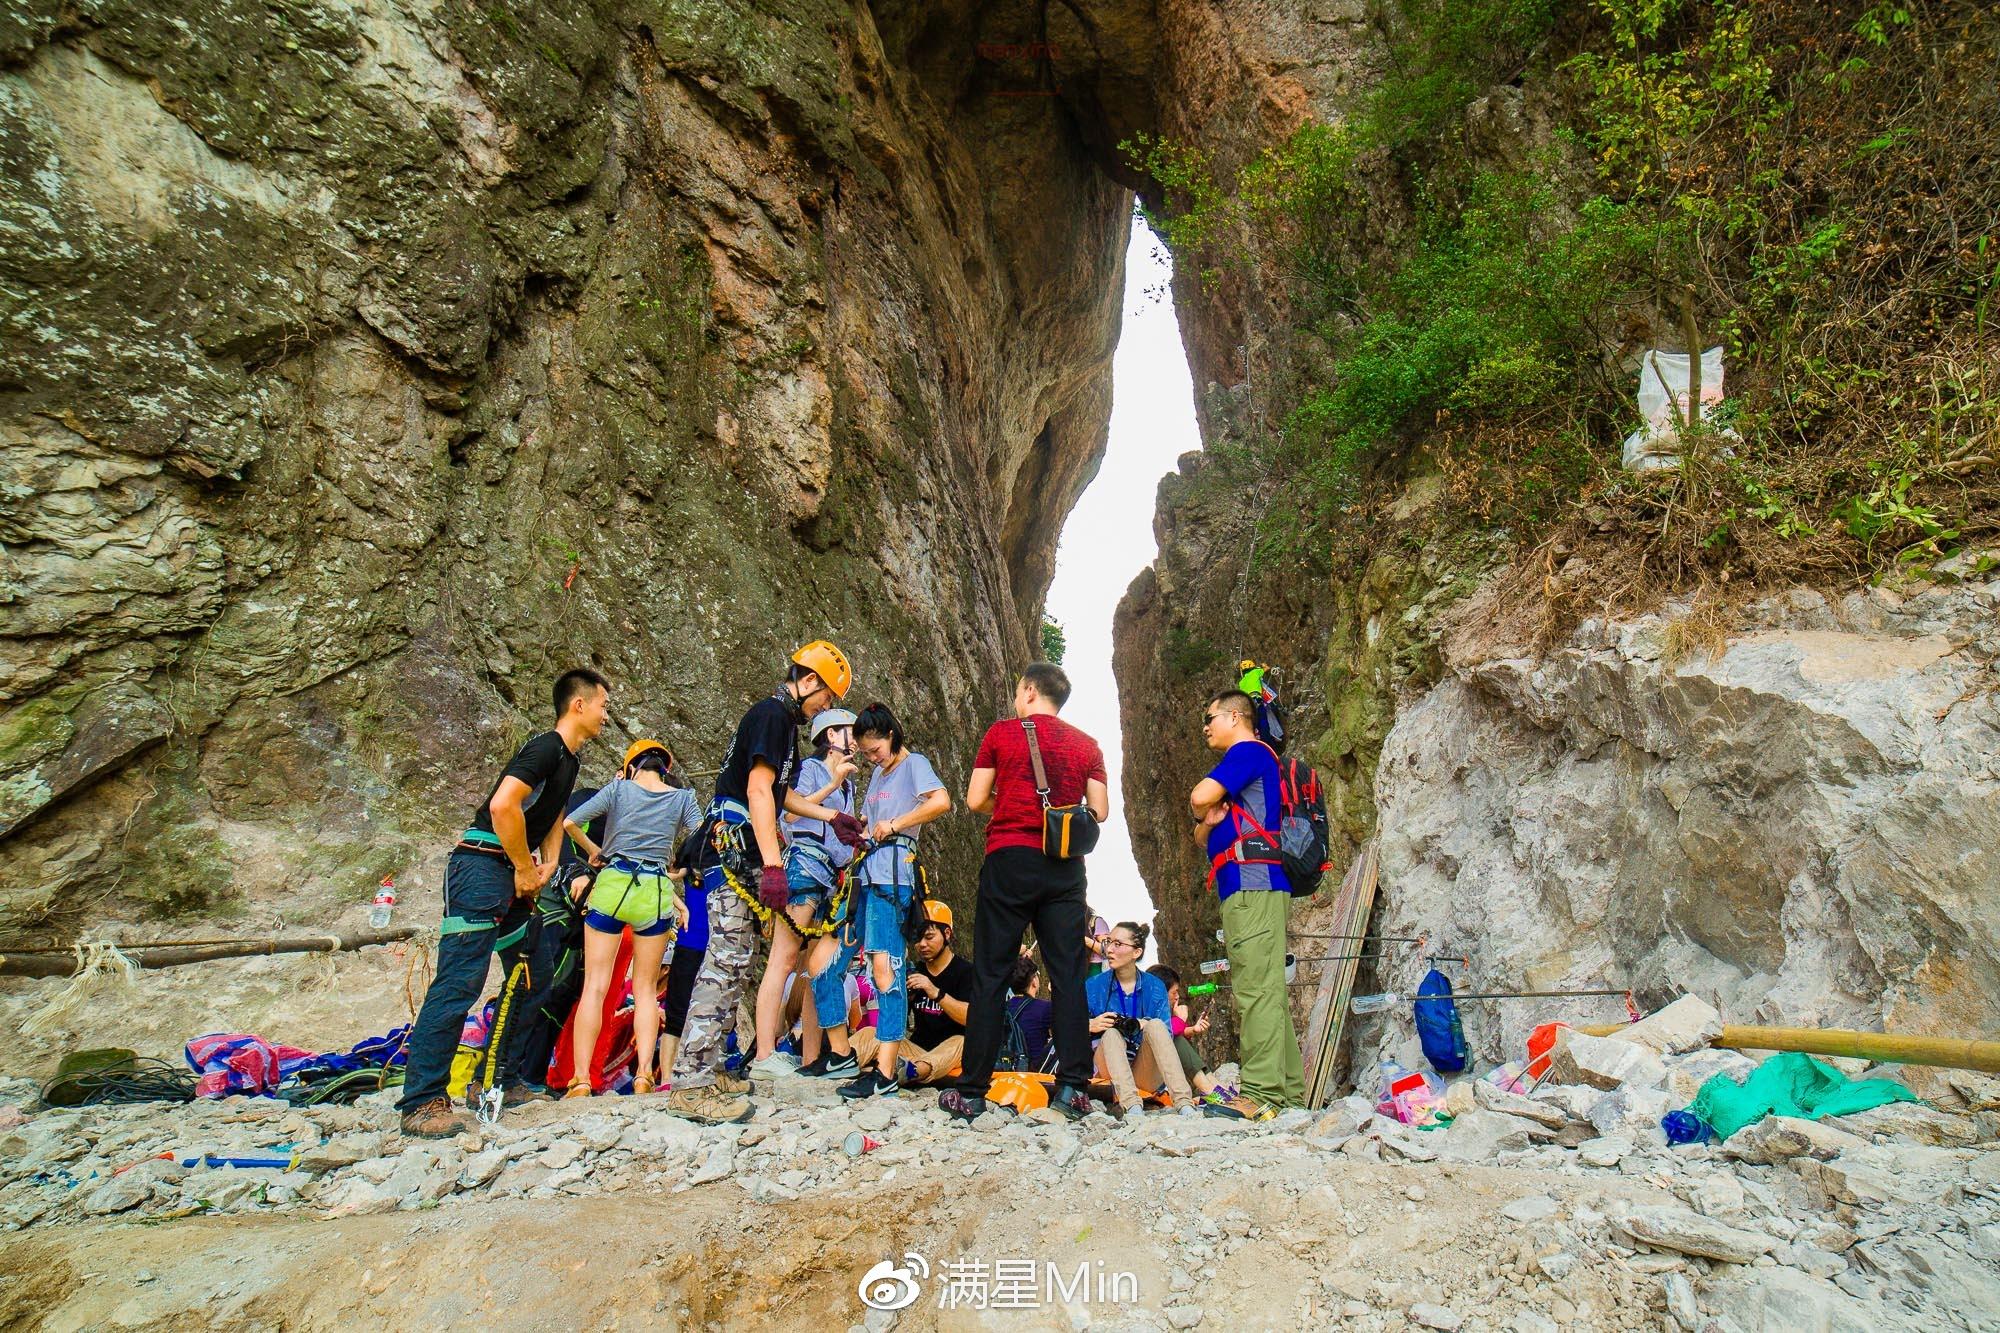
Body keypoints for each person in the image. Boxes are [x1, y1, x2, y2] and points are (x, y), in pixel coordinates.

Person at [399, 668, 609, 1137]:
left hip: (516, 874)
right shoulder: (544, 747)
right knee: (460, 982)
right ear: (578, 705)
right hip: (480, 868)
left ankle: (497, 1079)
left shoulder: (569, 761)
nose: (604, 715)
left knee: (533, 971)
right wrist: (521, 866)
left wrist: (550, 862)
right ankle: (422, 1100)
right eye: (602, 705)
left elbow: (554, 811)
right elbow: (502, 806)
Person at [667, 641, 862, 1125]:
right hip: (735, 847)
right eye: (826, 697)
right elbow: (757, 790)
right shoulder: (772, 716)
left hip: (745, 846)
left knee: (738, 960)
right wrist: (775, 865)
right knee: (727, 957)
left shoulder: (780, 725)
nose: (824, 708)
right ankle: (690, 1081)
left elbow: (782, 795)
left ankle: (708, 1068)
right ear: (810, 680)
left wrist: (831, 814)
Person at [941, 662, 1108, 1123]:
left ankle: (972, 1090)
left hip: (1009, 859)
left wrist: (1014, 801)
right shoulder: (1087, 746)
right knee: (1069, 975)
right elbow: (1100, 811)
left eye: (1019, 691)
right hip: (1065, 869)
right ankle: (1074, 1089)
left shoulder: (1002, 733)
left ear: (1030, 691)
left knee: (992, 974)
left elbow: (976, 800)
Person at [560, 740, 702, 1096]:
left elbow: (571, 822)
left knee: (595, 985)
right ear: (664, 769)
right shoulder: (682, 798)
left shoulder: (618, 789)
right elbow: (703, 836)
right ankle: (642, 1075)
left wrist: (595, 851)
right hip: (653, 891)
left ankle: (580, 1079)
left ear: (631, 767)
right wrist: (679, 872)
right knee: (644, 991)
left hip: (614, 883)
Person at [1191, 688, 1304, 1119]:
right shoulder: (1245, 765)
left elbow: (1201, 798)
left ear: (1236, 717)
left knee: (1254, 990)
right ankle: (1289, 1094)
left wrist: (1202, 807)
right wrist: (1207, 819)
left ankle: (1259, 1094)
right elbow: (1202, 833)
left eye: (1211, 716)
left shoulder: (1248, 752)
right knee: (1267, 990)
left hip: (1253, 884)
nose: (1206, 726)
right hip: (1246, 884)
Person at [835, 703, 952, 1099]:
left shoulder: (913, 763)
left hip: (894, 878)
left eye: (874, 750)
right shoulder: (879, 776)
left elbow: (940, 801)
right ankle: (871, 1063)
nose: (871, 758)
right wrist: (862, 827)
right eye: (865, 753)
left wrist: (897, 824)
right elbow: (872, 820)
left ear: (890, 736)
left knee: (887, 967)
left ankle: (885, 1071)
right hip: (868, 876)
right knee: (869, 964)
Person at [751, 707, 858, 1077]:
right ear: (832, 737)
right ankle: (765, 1052)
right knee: (783, 958)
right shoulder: (809, 771)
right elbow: (791, 815)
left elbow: (842, 838)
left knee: (818, 968)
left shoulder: (850, 785)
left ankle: (812, 1059)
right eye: (850, 732)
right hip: (803, 866)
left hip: (832, 876)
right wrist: (831, 786)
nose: (856, 741)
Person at [846, 900, 971, 1085]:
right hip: (915, 1052)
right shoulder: (914, 971)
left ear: (947, 934)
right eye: (917, 939)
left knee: (962, 1041)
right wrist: (903, 998)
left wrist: (935, 992)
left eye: (929, 937)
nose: (922, 944)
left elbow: (972, 1018)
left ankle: (912, 1072)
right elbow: (893, 1021)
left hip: (950, 1056)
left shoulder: (966, 972)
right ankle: (842, 1060)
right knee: (871, 1032)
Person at [1086, 922, 1196, 1117]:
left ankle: (1184, 1103)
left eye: (1118, 944)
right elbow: (1063, 1030)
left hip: (1142, 1068)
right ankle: (1132, 1107)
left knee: (1156, 1025)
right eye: (1109, 942)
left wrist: (1142, 1023)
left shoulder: (1155, 986)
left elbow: (1167, 1036)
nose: (1109, 949)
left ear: (1136, 952)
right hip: (1107, 1070)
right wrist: (1091, 1025)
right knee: (1111, 1033)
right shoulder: (1094, 986)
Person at [1147, 963, 1220, 1098]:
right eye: (1174, 992)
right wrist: (1180, 1020)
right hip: (1144, 1074)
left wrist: (1193, 1029)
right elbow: (1165, 1033)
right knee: (1174, 1038)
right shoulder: (1145, 1009)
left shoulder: (1158, 1010)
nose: (1177, 997)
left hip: (1157, 1073)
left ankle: (1216, 1087)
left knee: (1177, 1038)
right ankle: (1211, 1091)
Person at [1003, 953, 1053, 1071]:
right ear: (1034, 981)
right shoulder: (1044, 1008)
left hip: (1006, 1069)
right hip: (1033, 1072)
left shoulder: (1002, 1008)